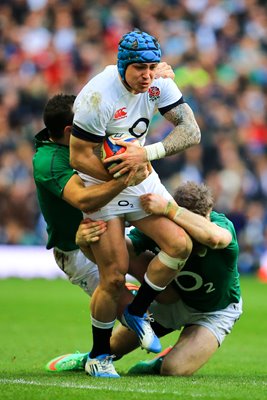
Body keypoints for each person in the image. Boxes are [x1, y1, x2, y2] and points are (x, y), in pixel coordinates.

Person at [70, 29, 201, 377]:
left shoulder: (157, 83)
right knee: (112, 279)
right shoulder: (97, 96)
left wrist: (146, 154)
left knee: (179, 244)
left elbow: (191, 131)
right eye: (140, 68)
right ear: (122, 66)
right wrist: (120, 178)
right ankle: (99, 356)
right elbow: (79, 156)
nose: (147, 75)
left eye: (152, 66)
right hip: (103, 183)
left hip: (140, 172)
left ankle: (138, 310)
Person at [45, 181, 242, 376]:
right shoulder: (166, 228)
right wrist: (86, 243)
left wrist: (170, 209)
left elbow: (215, 238)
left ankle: (162, 360)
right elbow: (115, 255)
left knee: (173, 369)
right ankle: (88, 357)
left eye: (201, 219)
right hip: (171, 301)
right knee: (112, 347)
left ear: (209, 214)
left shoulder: (221, 226)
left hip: (215, 312)